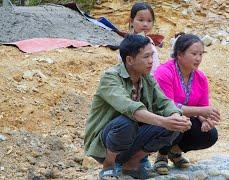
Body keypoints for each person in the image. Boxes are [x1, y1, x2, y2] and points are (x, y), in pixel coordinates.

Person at [84, 34, 192, 179]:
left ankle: (132, 164)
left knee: (174, 125)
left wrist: (175, 117)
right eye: (146, 57)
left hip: (132, 137)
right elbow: (129, 107)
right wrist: (164, 121)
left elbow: (164, 102)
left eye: (151, 56)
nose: (151, 61)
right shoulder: (110, 77)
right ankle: (109, 165)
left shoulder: (146, 77)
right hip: (106, 142)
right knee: (126, 122)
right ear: (129, 60)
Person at [153, 33, 220, 175]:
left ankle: (175, 151)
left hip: (186, 120)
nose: (198, 58)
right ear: (179, 54)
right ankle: (162, 155)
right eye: (194, 53)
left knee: (210, 135)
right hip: (163, 117)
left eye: (201, 54)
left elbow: (202, 108)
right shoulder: (164, 72)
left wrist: (206, 121)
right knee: (176, 120)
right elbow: (168, 106)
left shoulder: (200, 77)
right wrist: (202, 112)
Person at [127, 2, 160, 75]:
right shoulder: (128, 44)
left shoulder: (149, 40)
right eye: (141, 20)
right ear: (132, 21)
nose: (145, 24)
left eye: (149, 21)